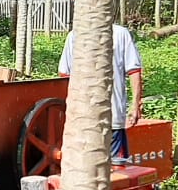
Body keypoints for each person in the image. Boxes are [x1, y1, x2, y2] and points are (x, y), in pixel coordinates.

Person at [57, 18, 143, 160]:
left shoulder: (120, 34)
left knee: (117, 170)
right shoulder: (74, 36)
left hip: (112, 117)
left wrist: (135, 104)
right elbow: (65, 75)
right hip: (84, 119)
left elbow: (134, 71)